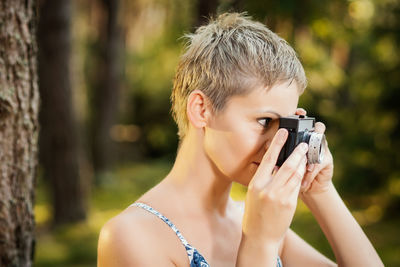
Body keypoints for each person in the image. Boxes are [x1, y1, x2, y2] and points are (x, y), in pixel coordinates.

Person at [97, 13, 383, 266]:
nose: (279, 144)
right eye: (264, 121)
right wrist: (260, 244)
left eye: (287, 123)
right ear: (201, 109)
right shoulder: (132, 236)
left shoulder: (254, 217)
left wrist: (320, 191)